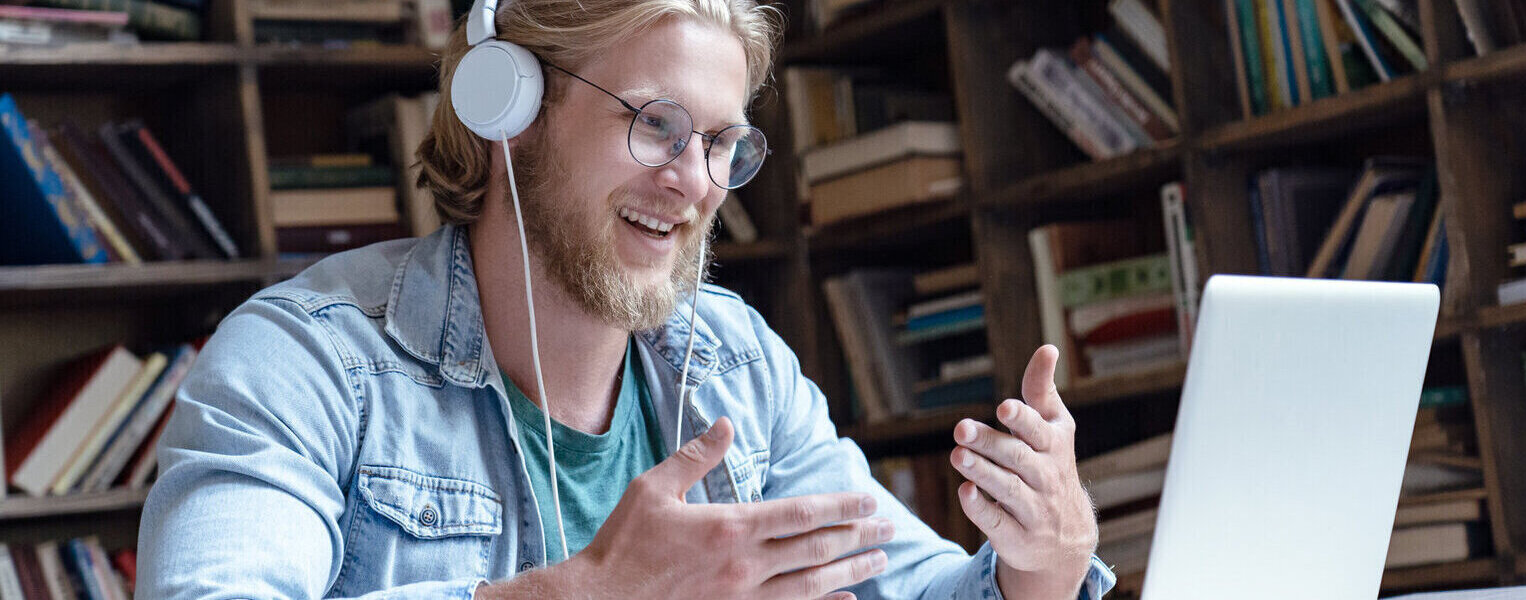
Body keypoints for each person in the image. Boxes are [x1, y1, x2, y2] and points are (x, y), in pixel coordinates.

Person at [135, 1, 1113, 599]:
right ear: (510, 110)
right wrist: (586, 595)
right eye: (656, 125)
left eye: (722, 144)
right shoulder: (304, 361)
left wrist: (1042, 564)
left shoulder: (735, 360)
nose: (695, 183)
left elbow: (911, 583)